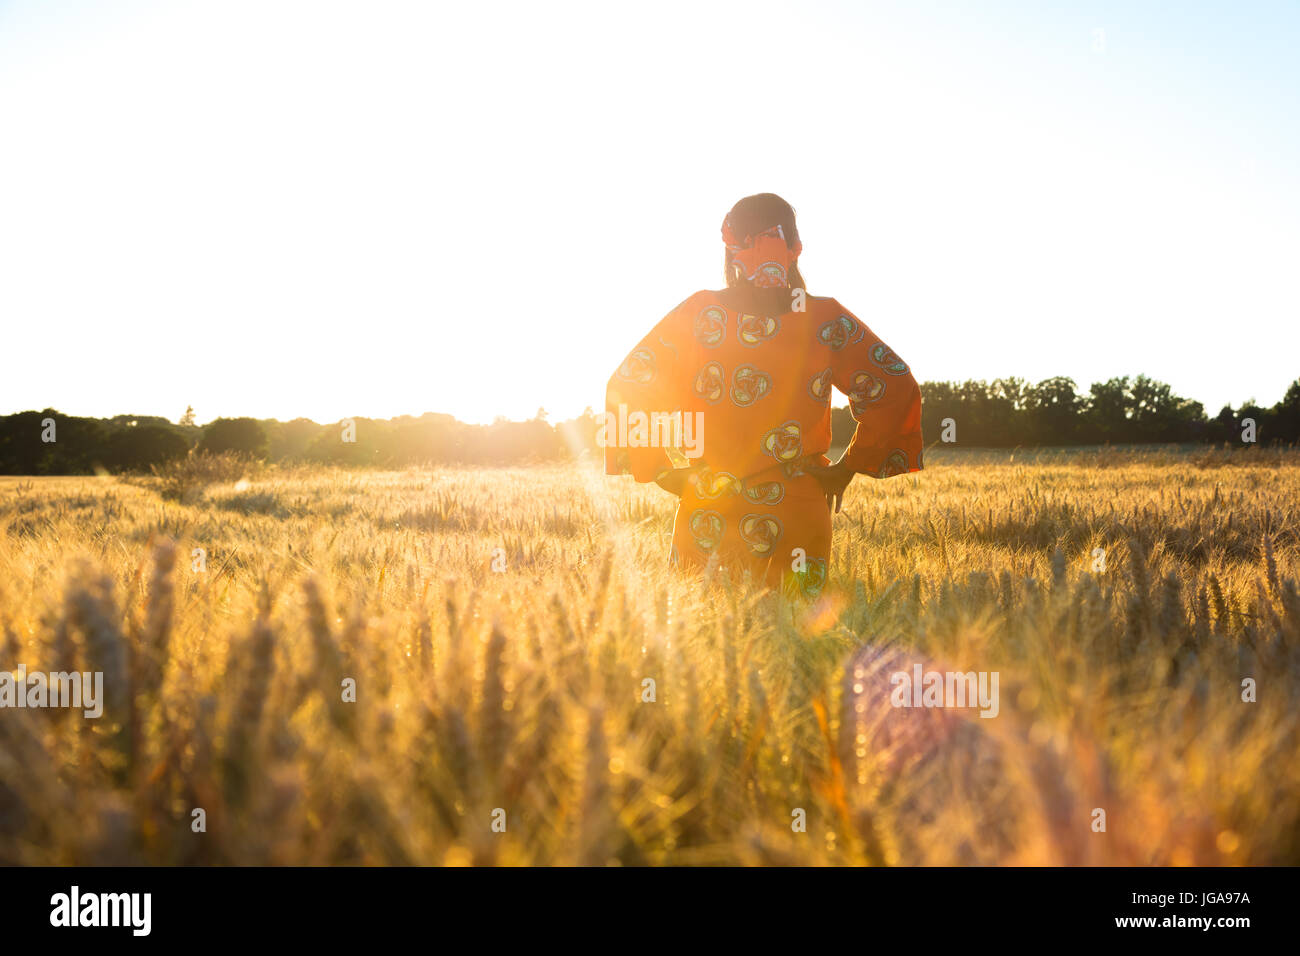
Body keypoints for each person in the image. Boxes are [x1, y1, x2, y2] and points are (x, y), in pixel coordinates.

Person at [604, 193, 923, 597]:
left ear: (732, 249)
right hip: (799, 509)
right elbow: (895, 385)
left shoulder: (703, 314)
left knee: (706, 646)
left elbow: (630, 384)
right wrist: (849, 466)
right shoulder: (824, 318)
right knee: (799, 642)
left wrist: (664, 470)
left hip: (710, 506)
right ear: (795, 249)